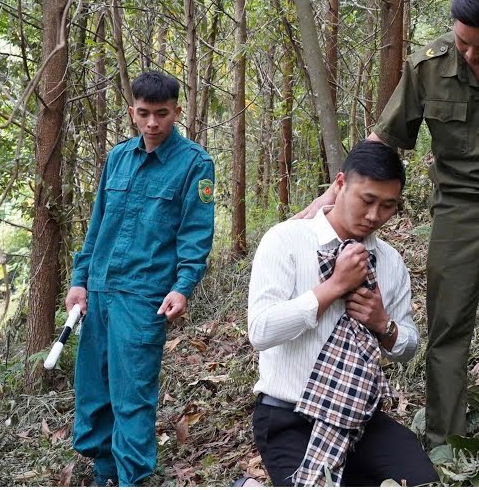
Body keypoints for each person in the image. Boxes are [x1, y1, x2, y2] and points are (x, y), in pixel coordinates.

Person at [298, 0, 479, 449]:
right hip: (458, 206)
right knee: (448, 320)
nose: (468, 53)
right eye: (461, 40)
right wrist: (335, 192)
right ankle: (444, 434)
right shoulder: (428, 64)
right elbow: (385, 136)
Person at [247, 141, 437, 487]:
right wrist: (332, 287)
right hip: (288, 415)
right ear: (340, 185)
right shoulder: (286, 240)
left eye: (388, 206)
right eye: (367, 200)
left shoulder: (390, 262)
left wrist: (384, 326)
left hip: (359, 415)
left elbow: (408, 346)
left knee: (420, 480)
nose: (374, 216)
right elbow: (260, 330)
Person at [66, 70, 216, 486]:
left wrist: (182, 287)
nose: (153, 123)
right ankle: (104, 472)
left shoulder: (195, 164)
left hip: (144, 296)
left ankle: (132, 478)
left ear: (177, 112)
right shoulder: (117, 158)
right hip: (98, 292)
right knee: (94, 393)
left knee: (132, 396)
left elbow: (195, 234)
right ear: (132, 112)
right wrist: (80, 280)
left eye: (162, 114)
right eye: (145, 114)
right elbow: (97, 226)